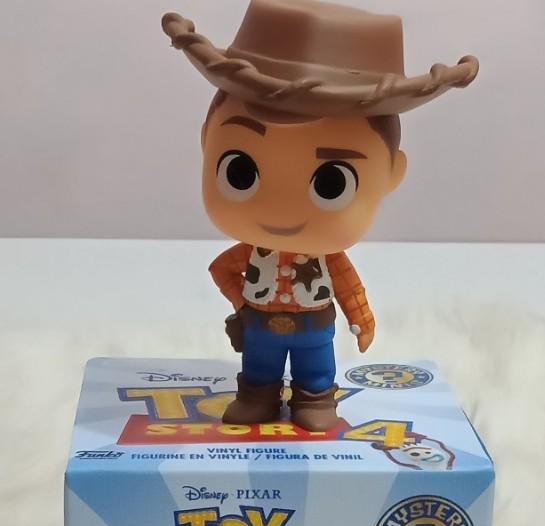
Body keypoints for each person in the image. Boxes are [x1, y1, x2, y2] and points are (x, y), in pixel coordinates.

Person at [162, 0, 478, 429]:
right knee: (259, 367)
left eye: (332, 183)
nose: (280, 209)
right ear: (206, 142)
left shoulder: (326, 259)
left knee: (315, 366)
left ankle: (314, 397)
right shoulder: (252, 255)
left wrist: (361, 318)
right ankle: (257, 394)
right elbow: (222, 270)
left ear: (391, 174)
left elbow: (348, 287)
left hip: (314, 325)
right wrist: (243, 304)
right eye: (240, 171)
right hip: (259, 327)